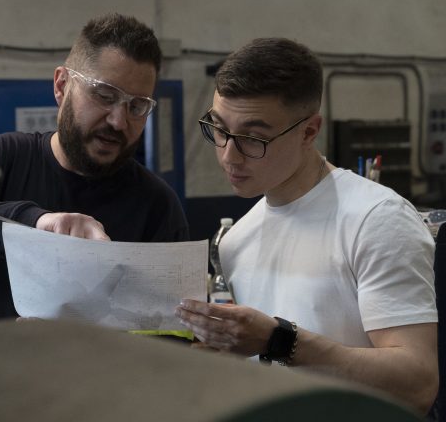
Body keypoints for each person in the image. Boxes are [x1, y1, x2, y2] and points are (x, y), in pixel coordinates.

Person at [175, 37, 438, 414]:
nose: (228, 155)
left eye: (253, 137)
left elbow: (418, 383)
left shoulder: (375, 219)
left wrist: (280, 341)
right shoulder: (236, 242)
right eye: (218, 129)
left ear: (309, 131)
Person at [0, 13, 189, 325]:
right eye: (104, 96)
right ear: (62, 86)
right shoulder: (3, 156)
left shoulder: (157, 206)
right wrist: (35, 222)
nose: (119, 121)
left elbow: (167, 338)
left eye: (136, 107)